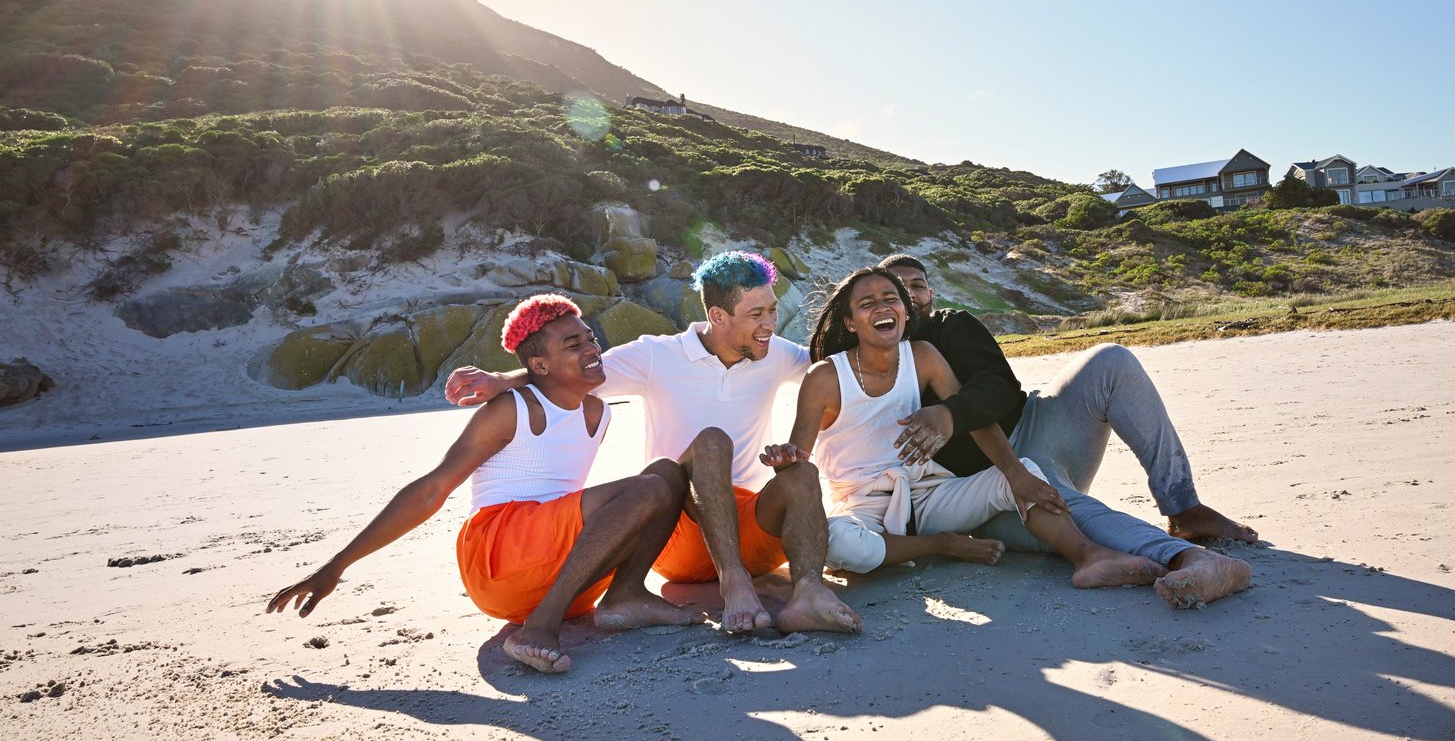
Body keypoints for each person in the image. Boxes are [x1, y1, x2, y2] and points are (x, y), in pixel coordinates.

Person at [266, 294, 703, 674]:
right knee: (647, 487)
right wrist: (337, 565)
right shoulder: (509, 409)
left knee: (666, 473)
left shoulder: (599, 411)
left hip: (564, 577)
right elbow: (432, 490)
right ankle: (538, 629)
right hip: (499, 560)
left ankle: (623, 596)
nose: (592, 348)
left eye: (590, 337)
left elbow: (584, 500)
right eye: (575, 344)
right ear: (539, 364)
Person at [445, 252, 860, 636]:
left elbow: (840, 370)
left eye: (772, 310)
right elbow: (574, 371)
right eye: (757, 313)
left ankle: (808, 594)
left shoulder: (774, 354)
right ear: (717, 315)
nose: (771, 322)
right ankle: (733, 582)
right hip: (680, 533)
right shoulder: (656, 356)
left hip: (748, 524)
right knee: (712, 442)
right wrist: (504, 380)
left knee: (801, 474)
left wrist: (919, 357)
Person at [874, 254, 1252, 608]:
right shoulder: (874, 358)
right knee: (1056, 503)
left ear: (931, 293)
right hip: (982, 484)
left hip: (1037, 425)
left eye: (918, 284)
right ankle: (1190, 558)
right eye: (898, 288)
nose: (910, 294)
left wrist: (949, 412)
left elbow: (1000, 385)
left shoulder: (953, 324)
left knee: (1111, 360)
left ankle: (1183, 506)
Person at [791, 267, 1163, 590]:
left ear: (905, 312)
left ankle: (1091, 557)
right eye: (867, 303)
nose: (882, 307)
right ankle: (944, 545)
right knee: (838, 542)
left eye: (891, 298)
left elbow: (976, 421)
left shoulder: (922, 356)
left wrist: (1014, 473)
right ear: (850, 322)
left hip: (928, 492)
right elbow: (799, 462)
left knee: (1024, 472)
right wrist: (783, 460)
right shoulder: (826, 376)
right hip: (863, 504)